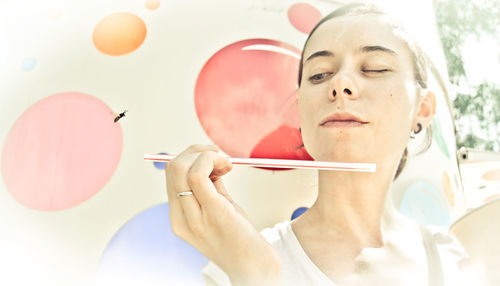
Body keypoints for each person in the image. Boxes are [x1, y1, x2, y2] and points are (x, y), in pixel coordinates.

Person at [165, 3, 479, 286]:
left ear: (421, 110)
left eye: (375, 68)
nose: (339, 84)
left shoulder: (456, 260)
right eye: (319, 75)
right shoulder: (237, 263)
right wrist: (255, 276)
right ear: (301, 110)